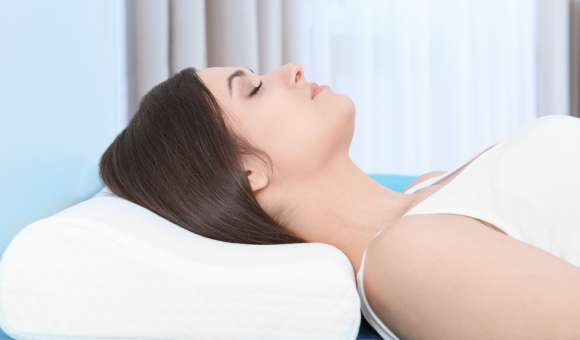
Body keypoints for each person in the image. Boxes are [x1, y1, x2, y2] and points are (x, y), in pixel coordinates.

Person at [99, 63, 580, 340]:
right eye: (255, 89)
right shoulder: (408, 258)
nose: (291, 69)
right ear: (247, 174)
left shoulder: (427, 191)